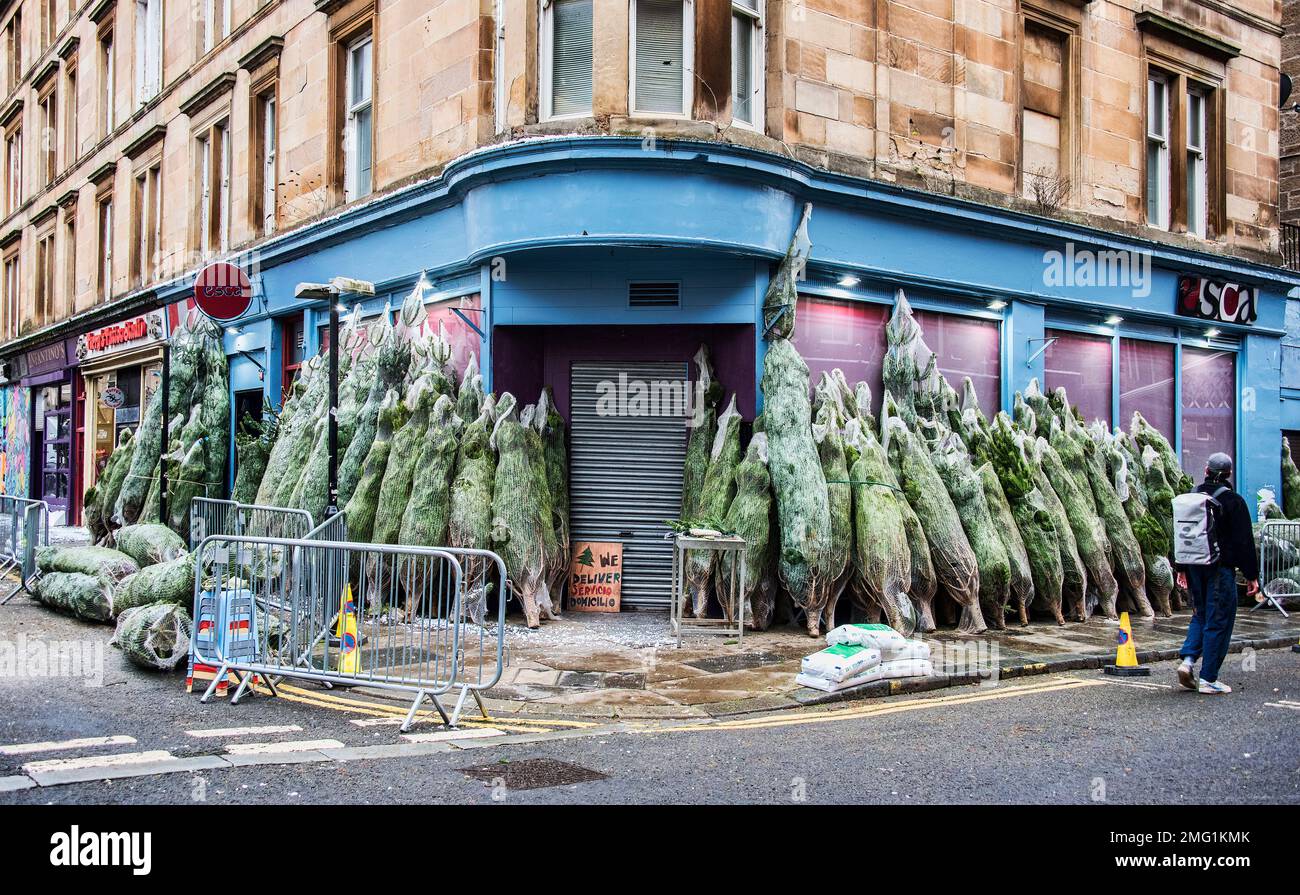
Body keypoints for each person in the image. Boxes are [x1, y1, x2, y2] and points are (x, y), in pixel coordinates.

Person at [1175, 452, 1260, 694]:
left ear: (1205, 471)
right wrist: (1252, 575)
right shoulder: (1233, 501)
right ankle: (1209, 678)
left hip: (1193, 566)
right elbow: (1244, 542)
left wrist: (1181, 568)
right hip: (1219, 570)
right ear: (1229, 474)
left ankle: (1188, 661)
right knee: (1218, 620)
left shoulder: (1191, 498)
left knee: (1200, 615)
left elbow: (1182, 534)